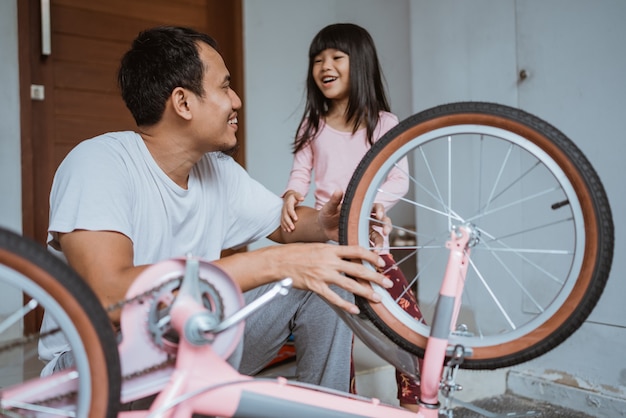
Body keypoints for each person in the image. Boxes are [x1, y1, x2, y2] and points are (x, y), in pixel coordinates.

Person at [37, 25, 395, 396]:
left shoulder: (216, 170)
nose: (237, 100)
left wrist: (325, 224)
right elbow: (112, 298)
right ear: (184, 102)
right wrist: (276, 263)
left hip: (189, 341)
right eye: (225, 87)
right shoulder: (99, 163)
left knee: (327, 271)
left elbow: (285, 224)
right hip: (99, 365)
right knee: (292, 267)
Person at [281, 23, 424, 409]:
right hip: (329, 249)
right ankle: (343, 404)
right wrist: (292, 195)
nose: (324, 65)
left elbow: (399, 180)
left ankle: (416, 406)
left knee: (410, 329)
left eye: (335, 57)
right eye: (317, 59)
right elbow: (300, 174)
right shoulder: (313, 125)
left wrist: (372, 203)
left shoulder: (385, 124)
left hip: (373, 249)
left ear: (358, 63)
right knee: (335, 335)